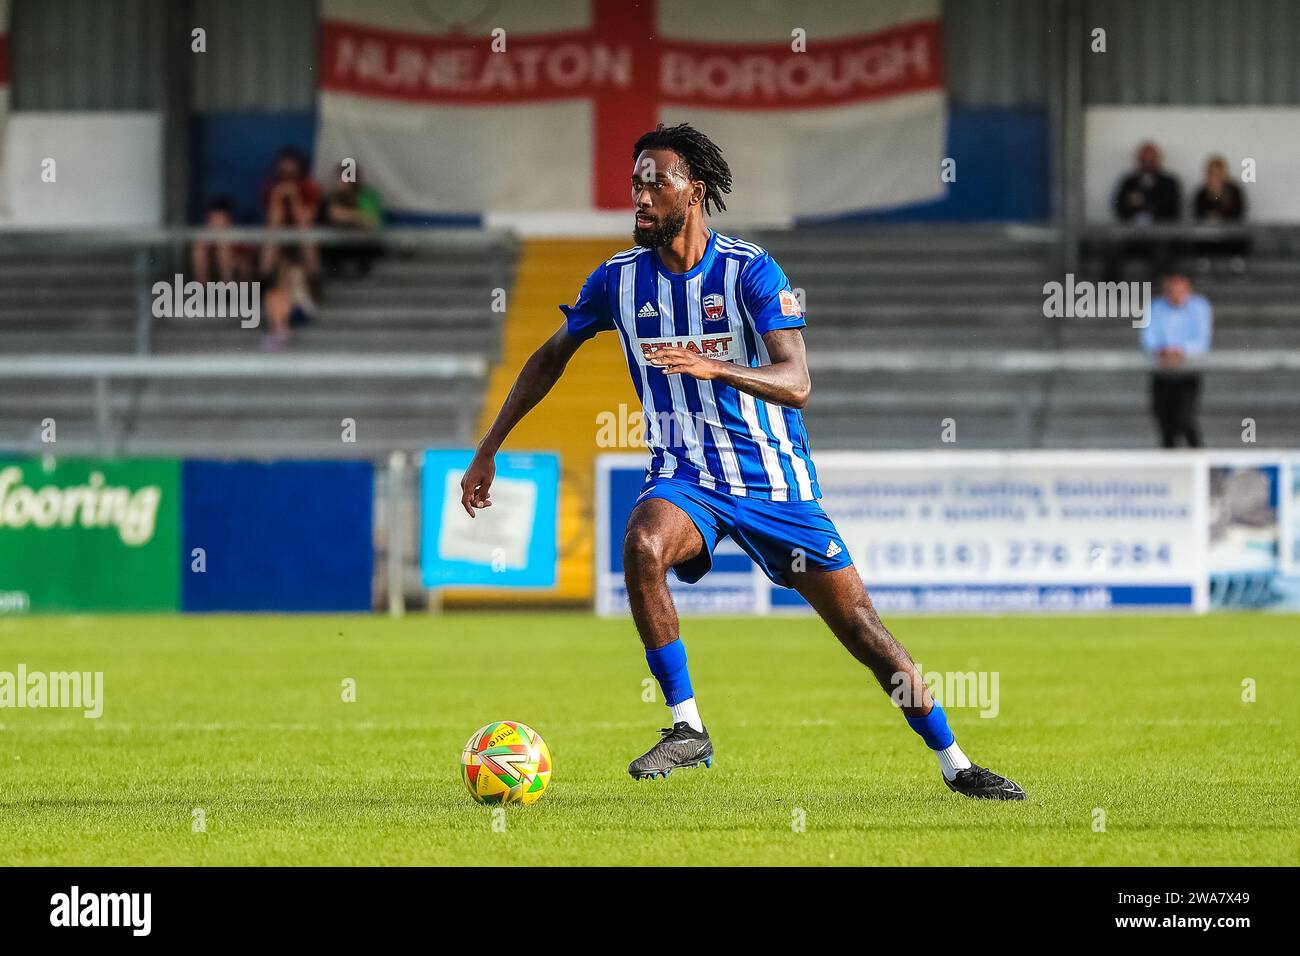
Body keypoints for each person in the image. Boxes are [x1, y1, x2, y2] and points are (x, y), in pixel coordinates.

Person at [459, 123, 1024, 799]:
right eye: (635, 182)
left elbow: (798, 382)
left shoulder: (749, 270)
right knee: (642, 543)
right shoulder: (617, 280)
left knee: (864, 633)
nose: (639, 195)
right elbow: (550, 355)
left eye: (655, 182)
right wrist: (489, 447)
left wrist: (713, 366)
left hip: (775, 484)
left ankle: (956, 764)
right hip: (686, 478)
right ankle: (686, 727)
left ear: (693, 192)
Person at [1141, 273, 1212, 448]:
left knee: (1184, 418)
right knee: (1163, 420)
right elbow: (1147, 337)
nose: (1176, 295)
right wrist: (1162, 350)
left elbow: (1202, 339)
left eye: (1180, 291)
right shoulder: (1155, 307)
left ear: (1188, 291)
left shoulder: (1199, 307)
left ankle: (1198, 454)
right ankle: (1168, 464)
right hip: (1163, 371)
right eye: (1172, 291)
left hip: (1187, 371)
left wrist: (1181, 351)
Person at [1110, 141, 1182, 280]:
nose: (1148, 162)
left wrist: (1145, 206)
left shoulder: (1169, 182)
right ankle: (1113, 294)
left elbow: (1173, 210)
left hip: (1160, 237)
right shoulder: (1128, 182)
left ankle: (1156, 294)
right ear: (1138, 160)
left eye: (1151, 159)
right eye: (1144, 159)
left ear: (1158, 160)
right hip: (1132, 236)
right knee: (1112, 248)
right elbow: (1119, 209)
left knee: (1163, 252)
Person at [259, 146, 322, 280]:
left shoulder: (309, 186)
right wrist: (277, 197)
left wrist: (294, 197)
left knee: (306, 233)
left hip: (301, 234)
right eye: (284, 163)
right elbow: (271, 219)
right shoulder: (271, 186)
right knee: (272, 232)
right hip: (279, 235)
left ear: (299, 166)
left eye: (291, 163)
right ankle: (265, 279)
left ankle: (315, 279)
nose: (287, 168)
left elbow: (307, 219)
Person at [323, 162, 385, 278]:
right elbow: (334, 215)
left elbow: (371, 221)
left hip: (362, 241)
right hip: (339, 241)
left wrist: (351, 215)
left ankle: (363, 273)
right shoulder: (335, 196)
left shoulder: (367, 195)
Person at [1192, 154, 1248, 270]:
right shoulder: (1202, 192)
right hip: (1208, 233)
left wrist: (1219, 207)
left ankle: (1237, 262)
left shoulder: (1233, 190)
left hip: (1229, 231)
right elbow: (1198, 212)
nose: (1214, 176)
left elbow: (1238, 212)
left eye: (1217, 172)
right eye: (1211, 172)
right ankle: (1204, 261)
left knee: (1239, 234)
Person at [189, 197, 252, 284]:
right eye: (214, 219)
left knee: (224, 251)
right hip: (212, 270)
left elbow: (246, 262)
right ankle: (202, 288)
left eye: (220, 219)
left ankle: (227, 291)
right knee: (199, 250)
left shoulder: (237, 235)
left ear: (229, 220)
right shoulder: (204, 237)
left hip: (237, 275)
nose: (217, 223)